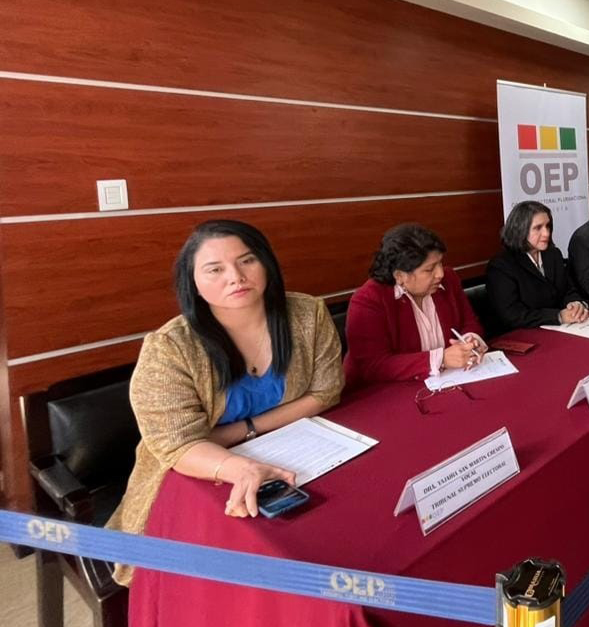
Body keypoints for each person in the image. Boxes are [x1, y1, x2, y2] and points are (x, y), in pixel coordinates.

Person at [107, 220, 344, 584]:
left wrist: (243, 431)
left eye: (247, 261)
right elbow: (176, 445)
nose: (236, 277)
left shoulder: (307, 315)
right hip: (194, 477)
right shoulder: (170, 347)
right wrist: (242, 467)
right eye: (215, 269)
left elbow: (327, 391)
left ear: (265, 263)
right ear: (195, 283)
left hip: (294, 455)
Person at [344, 224, 487, 389]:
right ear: (400, 276)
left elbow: (469, 322)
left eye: (440, 263)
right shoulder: (369, 300)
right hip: (382, 395)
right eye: (429, 269)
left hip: (446, 383)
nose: (440, 273)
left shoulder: (449, 279)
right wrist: (440, 360)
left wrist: (471, 341)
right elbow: (373, 365)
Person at [486, 201, 589, 330]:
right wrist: (558, 316)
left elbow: (568, 290)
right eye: (538, 228)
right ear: (520, 230)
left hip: (562, 330)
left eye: (548, 226)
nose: (546, 233)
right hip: (523, 335)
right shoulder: (501, 266)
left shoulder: (553, 255)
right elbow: (512, 315)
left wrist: (575, 304)